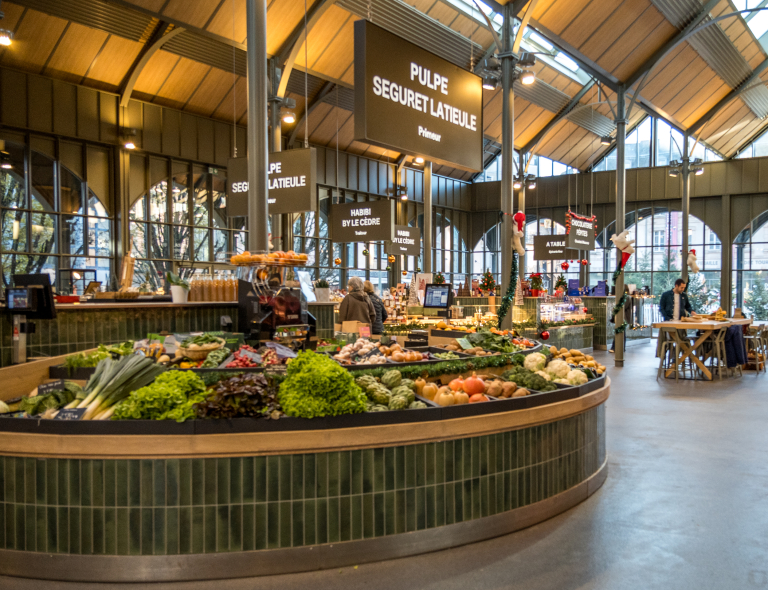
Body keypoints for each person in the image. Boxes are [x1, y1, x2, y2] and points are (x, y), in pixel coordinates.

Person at [610, 285, 632, 354]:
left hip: (623, 318)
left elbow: (622, 307)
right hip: (624, 318)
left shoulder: (626, 297)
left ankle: (614, 347)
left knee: (619, 332)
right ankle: (621, 347)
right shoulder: (626, 297)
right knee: (622, 332)